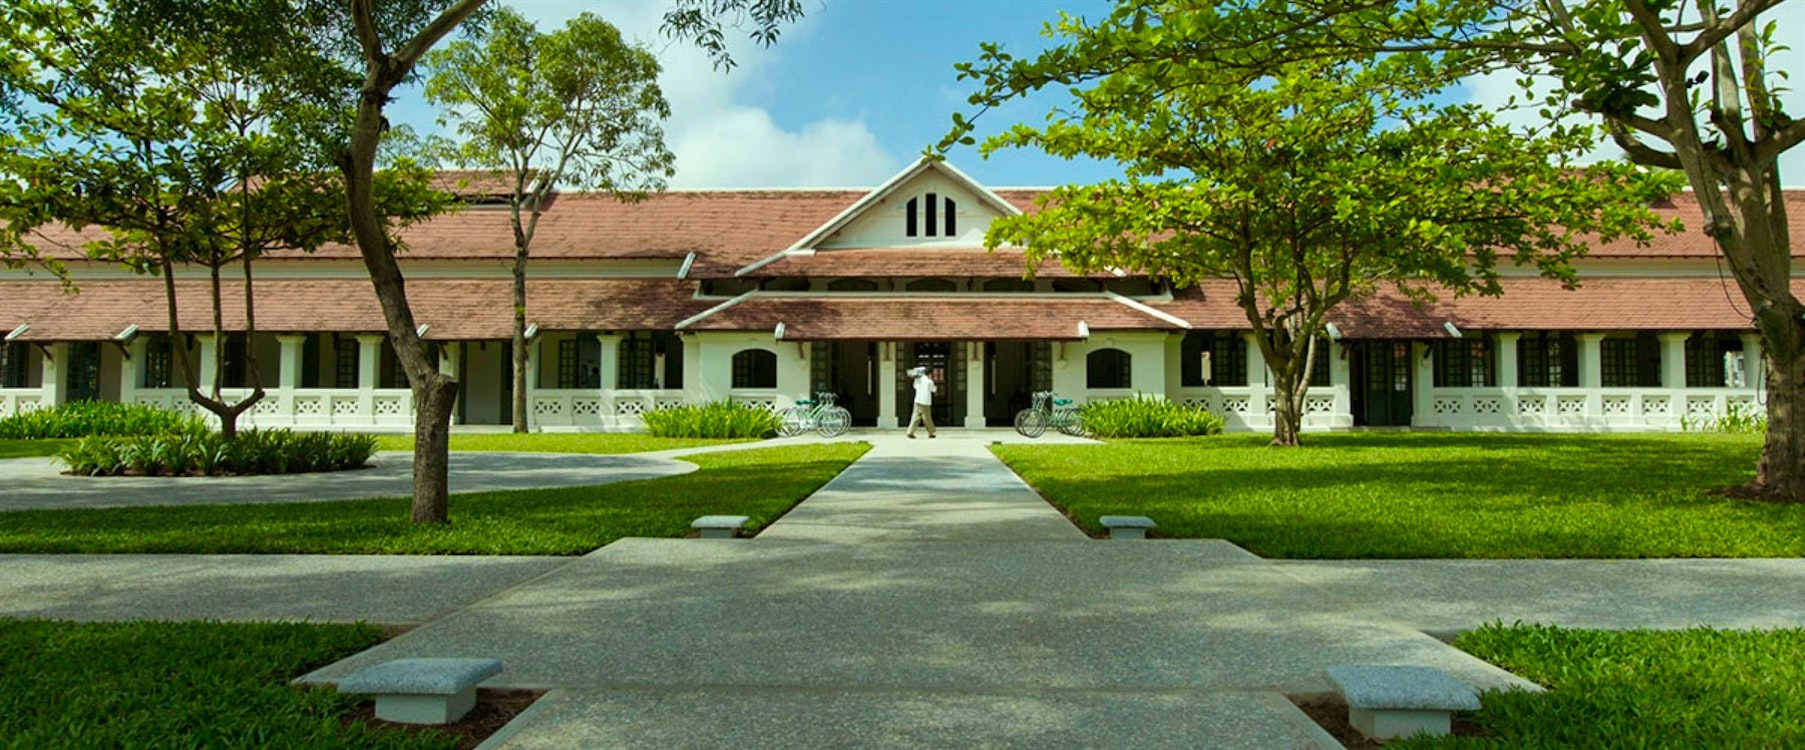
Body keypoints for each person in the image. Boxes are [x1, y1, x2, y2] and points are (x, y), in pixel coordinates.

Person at [905, 366, 937, 439]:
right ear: (930, 373)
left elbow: (915, 387)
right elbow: (933, 390)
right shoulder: (929, 381)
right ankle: (931, 432)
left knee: (915, 416)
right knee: (927, 417)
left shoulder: (918, 379)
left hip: (917, 400)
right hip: (925, 401)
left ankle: (910, 431)